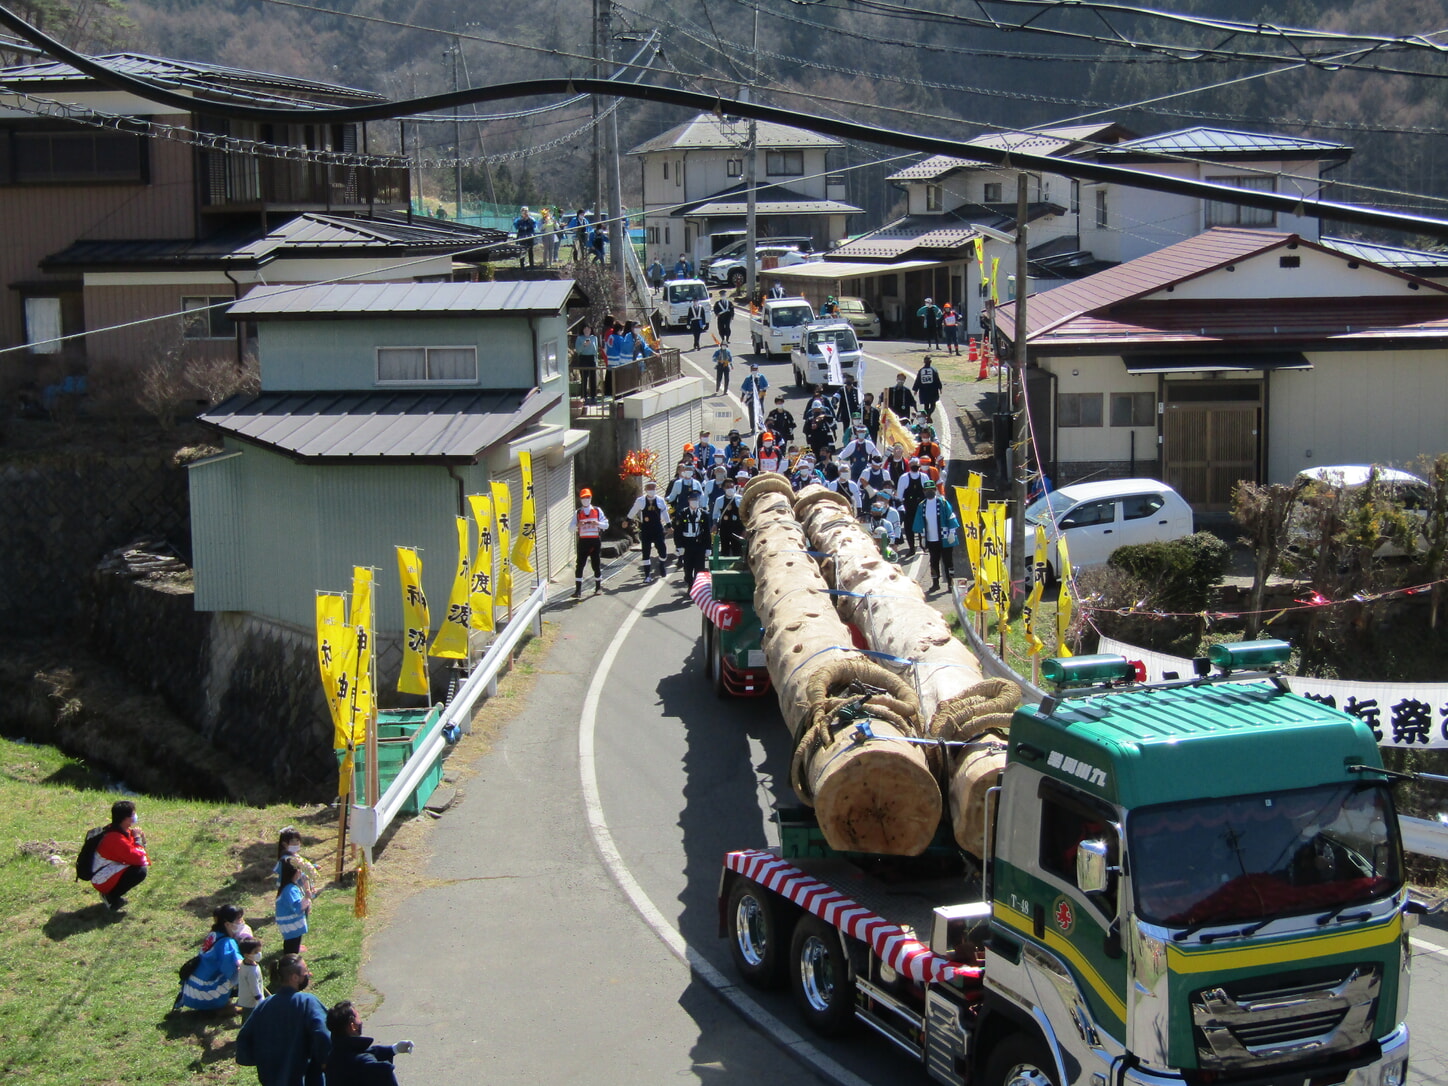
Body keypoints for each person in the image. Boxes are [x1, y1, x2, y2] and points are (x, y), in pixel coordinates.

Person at [235, 954, 330, 1086]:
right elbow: (324, 1035)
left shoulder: (264, 1006)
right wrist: (326, 1062)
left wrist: (263, 1060)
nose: (308, 974)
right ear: (295, 977)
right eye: (305, 971)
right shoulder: (307, 1002)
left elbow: (244, 1041)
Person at [325, 1001, 415, 1086]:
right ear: (353, 1026)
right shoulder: (367, 1065)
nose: (361, 1021)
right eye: (358, 1017)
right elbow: (381, 1072)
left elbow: (363, 1052)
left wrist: (394, 1049)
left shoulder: (333, 1057)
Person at [178, 903, 245, 1012]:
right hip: (205, 994)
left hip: (190, 991)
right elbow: (229, 969)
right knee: (244, 971)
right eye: (239, 920)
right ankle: (235, 1003)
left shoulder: (213, 934)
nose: (242, 922)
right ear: (227, 924)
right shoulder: (228, 943)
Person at [90, 799, 149, 911]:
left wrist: (142, 840)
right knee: (140, 871)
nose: (135, 816)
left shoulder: (118, 830)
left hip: (104, 871)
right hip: (101, 879)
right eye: (133, 814)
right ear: (126, 819)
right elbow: (140, 858)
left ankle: (111, 894)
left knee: (136, 868)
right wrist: (137, 839)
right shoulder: (116, 839)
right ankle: (110, 896)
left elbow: (136, 852)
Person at [913, 479, 960, 593]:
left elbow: (951, 517)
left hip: (945, 538)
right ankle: (935, 584)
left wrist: (952, 532)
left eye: (932, 489)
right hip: (931, 539)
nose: (929, 491)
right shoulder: (922, 505)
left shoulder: (943, 503)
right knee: (933, 562)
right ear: (923, 491)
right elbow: (920, 522)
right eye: (927, 490)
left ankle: (950, 583)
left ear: (935, 489)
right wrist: (923, 538)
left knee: (948, 562)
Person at [627, 480, 671, 583]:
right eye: (649, 488)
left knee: (662, 549)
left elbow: (665, 513)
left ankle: (661, 564)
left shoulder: (660, 500)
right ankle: (647, 575)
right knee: (646, 551)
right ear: (646, 489)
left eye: (653, 488)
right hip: (646, 528)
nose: (651, 490)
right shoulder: (640, 501)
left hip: (657, 528)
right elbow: (633, 510)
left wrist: (669, 525)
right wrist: (627, 520)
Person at [573, 488, 608, 598]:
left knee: (596, 564)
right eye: (583, 497)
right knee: (580, 565)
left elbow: (606, 525)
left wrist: (597, 523)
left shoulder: (597, 511)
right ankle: (578, 590)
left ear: (591, 498)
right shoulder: (578, 512)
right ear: (580, 499)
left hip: (594, 540)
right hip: (583, 541)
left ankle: (598, 587)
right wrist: (578, 525)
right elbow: (570, 528)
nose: (585, 499)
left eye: (587, 497)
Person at [674, 492, 711, 591]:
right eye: (692, 500)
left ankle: (696, 588)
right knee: (688, 568)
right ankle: (689, 583)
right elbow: (677, 532)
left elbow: (707, 532)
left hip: (699, 543)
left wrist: (708, 547)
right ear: (688, 501)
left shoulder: (704, 514)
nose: (694, 502)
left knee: (700, 568)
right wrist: (679, 546)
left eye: (696, 500)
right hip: (687, 544)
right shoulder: (682, 514)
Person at [274, 827, 319, 903]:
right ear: (284, 844)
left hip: (301, 886)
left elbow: (303, 870)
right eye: (292, 841)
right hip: (292, 888)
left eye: (297, 841)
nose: (295, 843)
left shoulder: (297, 857)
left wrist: (313, 867)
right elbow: (295, 872)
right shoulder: (286, 860)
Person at [896, 457, 930, 557]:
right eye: (913, 464)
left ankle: (923, 546)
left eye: (917, 464)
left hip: (921, 507)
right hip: (909, 508)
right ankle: (911, 548)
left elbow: (928, 492)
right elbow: (899, 495)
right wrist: (901, 507)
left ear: (919, 466)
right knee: (909, 529)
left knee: (922, 528)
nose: (915, 466)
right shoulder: (904, 478)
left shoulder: (924, 477)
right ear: (909, 466)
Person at [276, 856, 310, 955]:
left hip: (289, 921)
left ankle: (294, 951)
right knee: (292, 943)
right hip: (291, 923)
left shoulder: (289, 886)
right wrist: (306, 898)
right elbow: (297, 907)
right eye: (299, 870)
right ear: (293, 873)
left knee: (293, 940)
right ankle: (291, 959)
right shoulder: (290, 889)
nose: (300, 872)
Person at [712, 476, 747, 557]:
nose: (730, 488)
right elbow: (715, 514)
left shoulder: (740, 499)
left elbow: (745, 514)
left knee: (737, 550)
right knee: (725, 549)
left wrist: (745, 529)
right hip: (725, 528)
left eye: (731, 486)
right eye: (727, 487)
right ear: (723, 488)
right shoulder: (719, 500)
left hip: (737, 528)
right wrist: (715, 524)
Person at [237, 938, 266, 1020]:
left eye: (259, 951)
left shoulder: (244, 963)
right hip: (251, 1002)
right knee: (248, 1019)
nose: (259, 954)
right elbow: (254, 988)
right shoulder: (251, 971)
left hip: (245, 999)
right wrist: (260, 1000)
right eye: (256, 952)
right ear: (247, 955)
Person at [574, 322, 600, 403]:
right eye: (585, 329)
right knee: (584, 378)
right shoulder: (579, 338)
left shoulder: (594, 338)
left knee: (593, 378)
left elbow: (596, 351)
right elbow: (578, 350)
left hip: (592, 358)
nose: (586, 330)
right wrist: (584, 345)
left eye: (588, 329)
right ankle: (584, 396)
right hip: (583, 358)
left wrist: (597, 360)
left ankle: (593, 396)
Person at [740, 365, 768, 433]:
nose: (754, 370)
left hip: (759, 396)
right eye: (753, 369)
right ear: (750, 370)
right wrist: (742, 396)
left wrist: (763, 393)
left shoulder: (761, 377)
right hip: (751, 397)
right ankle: (753, 427)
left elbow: (766, 386)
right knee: (752, 412)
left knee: (761, 410)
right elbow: (744, 388)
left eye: (755, 369)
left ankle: (760, 424)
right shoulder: (748, 378)